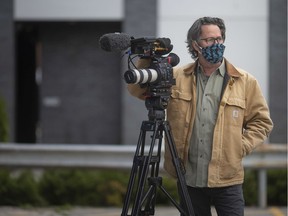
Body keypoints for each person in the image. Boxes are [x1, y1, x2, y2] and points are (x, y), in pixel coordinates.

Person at [127, 16, 273, 216]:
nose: (216, 44)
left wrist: (240, 146)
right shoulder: (176, 77)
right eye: (209, 40)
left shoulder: (245, 81)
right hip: (188, 179)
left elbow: (261, 122)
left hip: (228, 180)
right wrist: (147, 57)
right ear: (195, 44)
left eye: (219, 39)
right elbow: (136, 89)